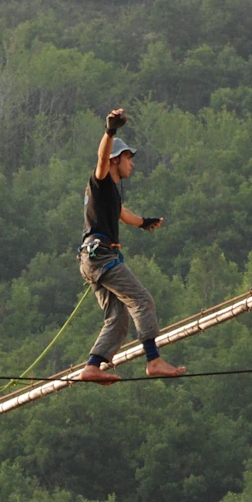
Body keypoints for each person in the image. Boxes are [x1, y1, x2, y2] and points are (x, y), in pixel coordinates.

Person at [77, 108, 184, 383]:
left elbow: (123, 214)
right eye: (128, 158)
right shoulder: (100, 180)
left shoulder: (110, 194)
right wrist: (110, 131)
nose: (132, 164)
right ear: (115, 160)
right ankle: (154, 360)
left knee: (118, 317)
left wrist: (143, 222)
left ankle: (92, 366)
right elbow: (102, 157)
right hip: (101, 256)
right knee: (142, 300)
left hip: (92, 259)